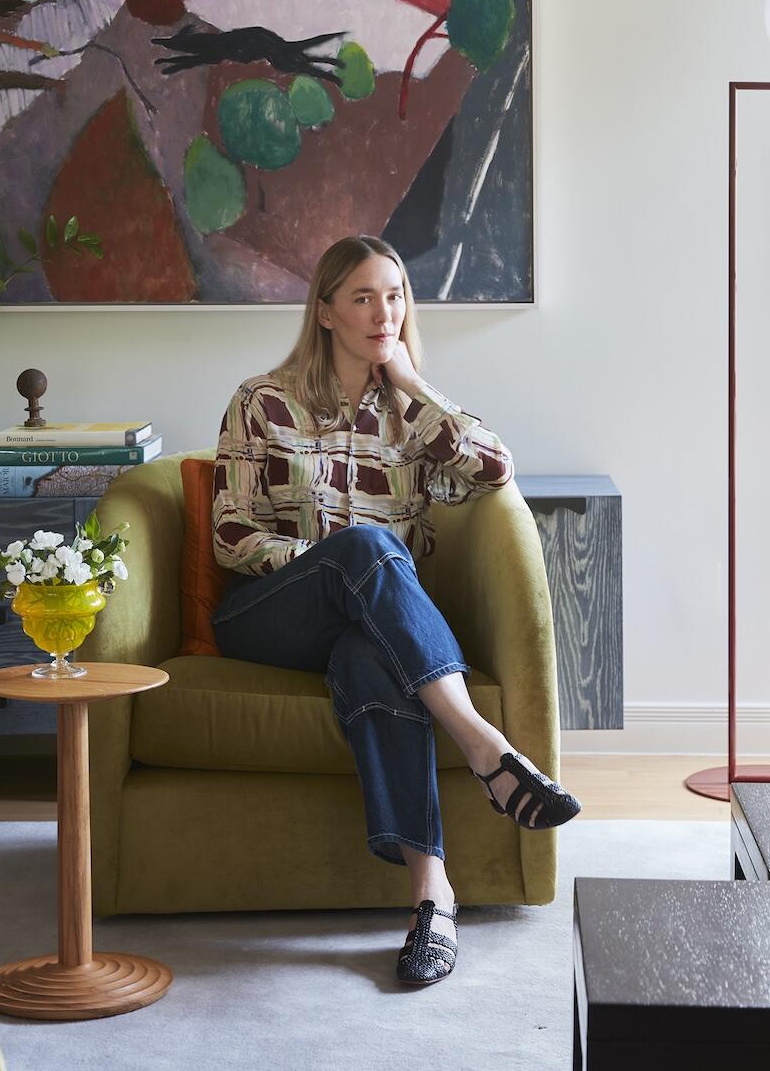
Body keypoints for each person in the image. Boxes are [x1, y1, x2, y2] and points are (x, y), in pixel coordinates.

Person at [211, 234, 580, 985]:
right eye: (363, 297)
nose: (385, 311)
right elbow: (229, 533)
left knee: (368, 655)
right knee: (364, 551)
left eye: (396, 294)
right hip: (268, 615)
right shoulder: (261, 401)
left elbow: (495, 468)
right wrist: (327, 566)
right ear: (324, 312)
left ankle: (431, 899)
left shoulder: (411, 417)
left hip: (364, 630)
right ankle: (484, 745)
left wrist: (412, 383)